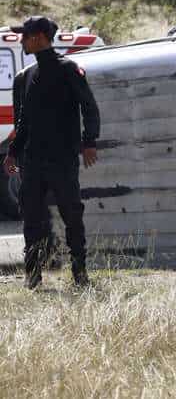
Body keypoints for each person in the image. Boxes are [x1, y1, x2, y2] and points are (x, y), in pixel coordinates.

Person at [2, 16, 100, 289]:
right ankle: (33, 277)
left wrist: (89, 141)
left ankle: (80, 274)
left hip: (62, 159)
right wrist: (13, 153)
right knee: (32, 219)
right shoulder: (25, 77)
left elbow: (89, 108)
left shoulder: (69, 70)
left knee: (72, 215)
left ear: (39, 37)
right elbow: (23, 122)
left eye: (26, 35)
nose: (22, 40)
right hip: (32, 162)